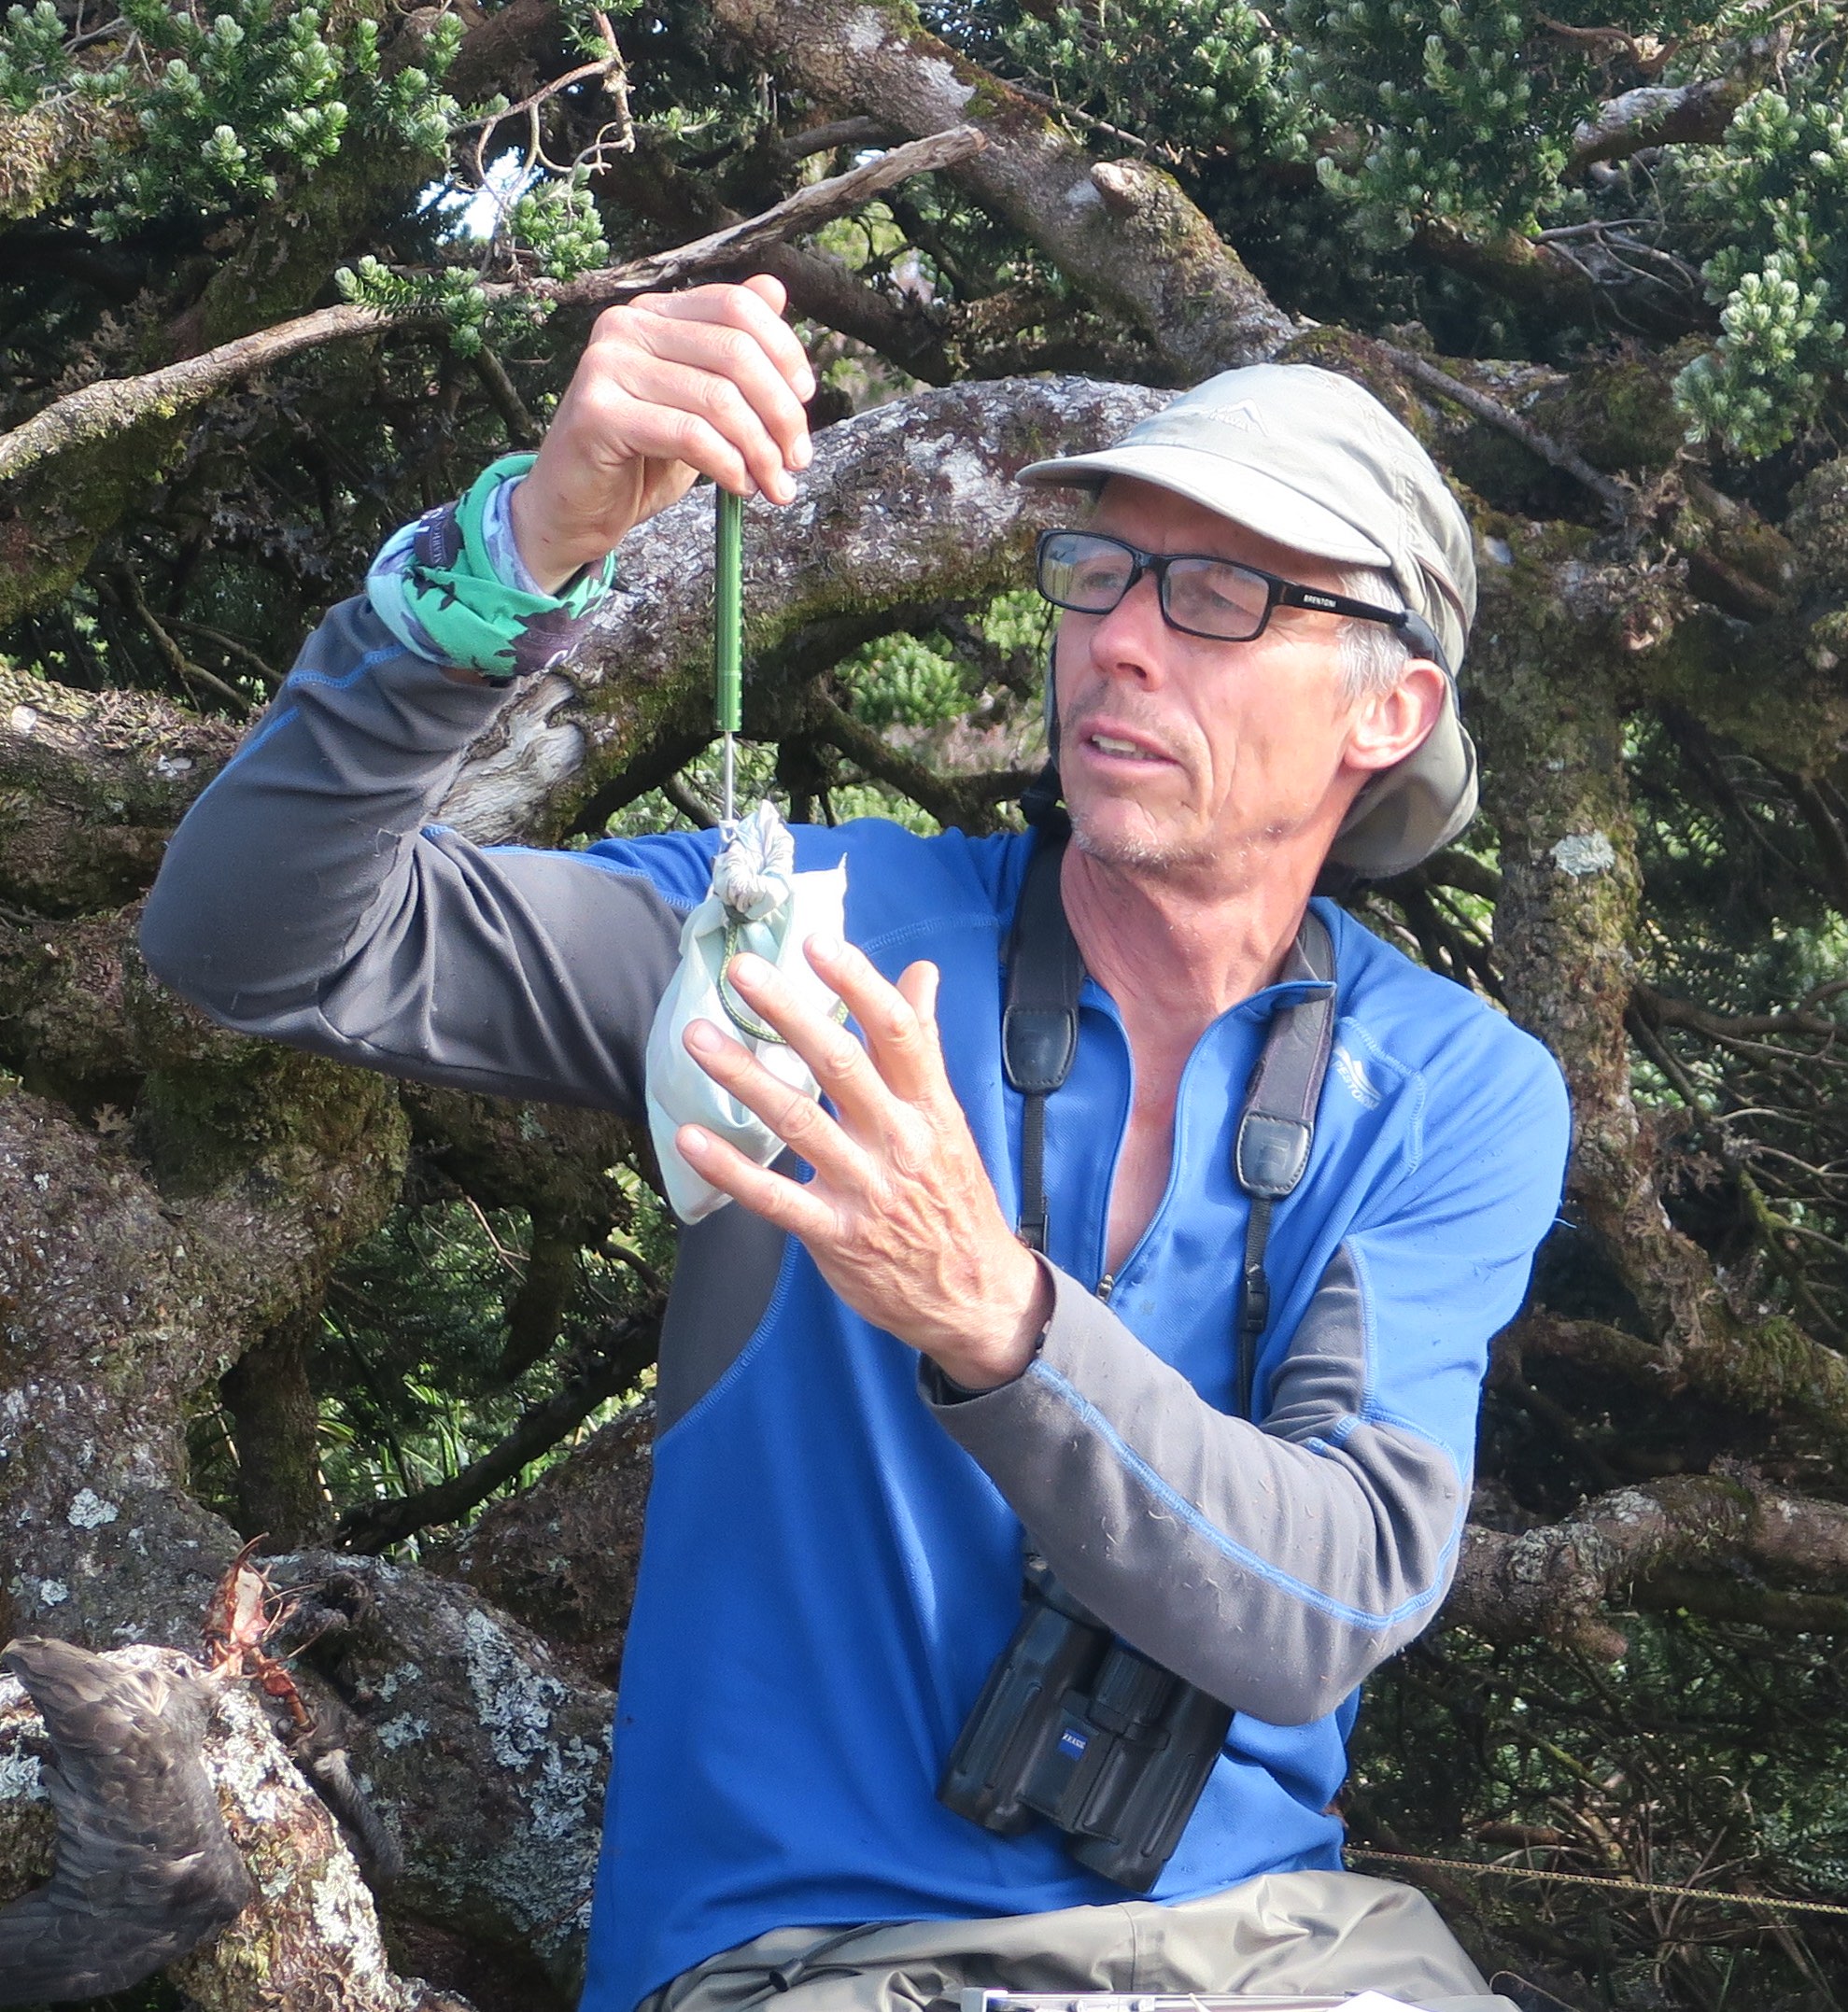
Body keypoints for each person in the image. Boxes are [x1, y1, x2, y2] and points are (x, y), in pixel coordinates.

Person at [140, 275, 1572, 2012]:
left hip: (1275, 1960)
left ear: (1388, 713)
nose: (1121, 636)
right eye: (1100, 571)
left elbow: (1327, 1595)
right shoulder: (807, 938)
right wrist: (519, 546)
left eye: (1218, 597)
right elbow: (258, 941)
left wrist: (996, 1316)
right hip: (807, 1961)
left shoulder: (1452, 1091)